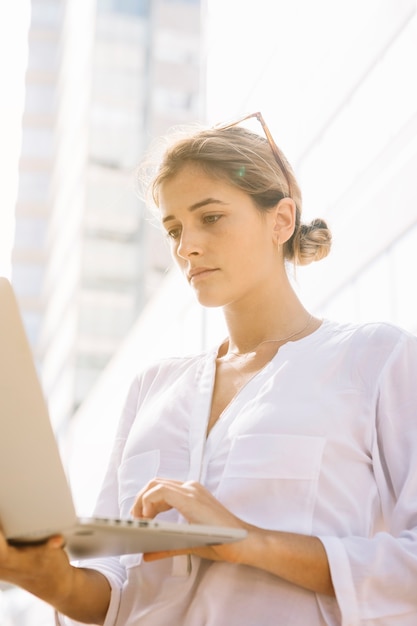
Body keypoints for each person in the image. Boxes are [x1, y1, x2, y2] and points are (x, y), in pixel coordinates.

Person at [1, 112, 417, 626]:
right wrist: (49, 577)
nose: (186, 246)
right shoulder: (152, 388)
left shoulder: (376, 359)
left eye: (211, 217)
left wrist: (249, 542)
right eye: (174, 228)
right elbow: (116, 587)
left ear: (281, 220)